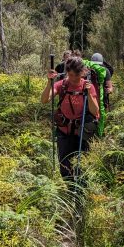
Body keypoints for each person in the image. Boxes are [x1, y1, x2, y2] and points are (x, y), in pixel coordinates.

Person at [42, 53, 100, 181]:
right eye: (70, 75)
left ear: (83, 72)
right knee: (64, 166)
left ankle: (80, 192)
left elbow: (95, 111)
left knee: (82, 166)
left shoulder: (88, 86)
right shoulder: (62, 85)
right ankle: (68, 190)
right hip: (64, 131)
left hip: (82, 132)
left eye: (76, 75)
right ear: (67, 72)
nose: (73, 78)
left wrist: (89, 93)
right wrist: (49, 83)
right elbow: (45, 99)